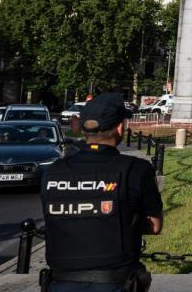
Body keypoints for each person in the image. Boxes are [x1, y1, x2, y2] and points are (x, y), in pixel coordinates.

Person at [40, 93, 163, 292]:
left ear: (81, 128)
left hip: (59, 282)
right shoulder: (136, 169)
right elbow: (155, 226)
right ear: (120, 128)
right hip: (115, 281)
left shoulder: (53, 171)